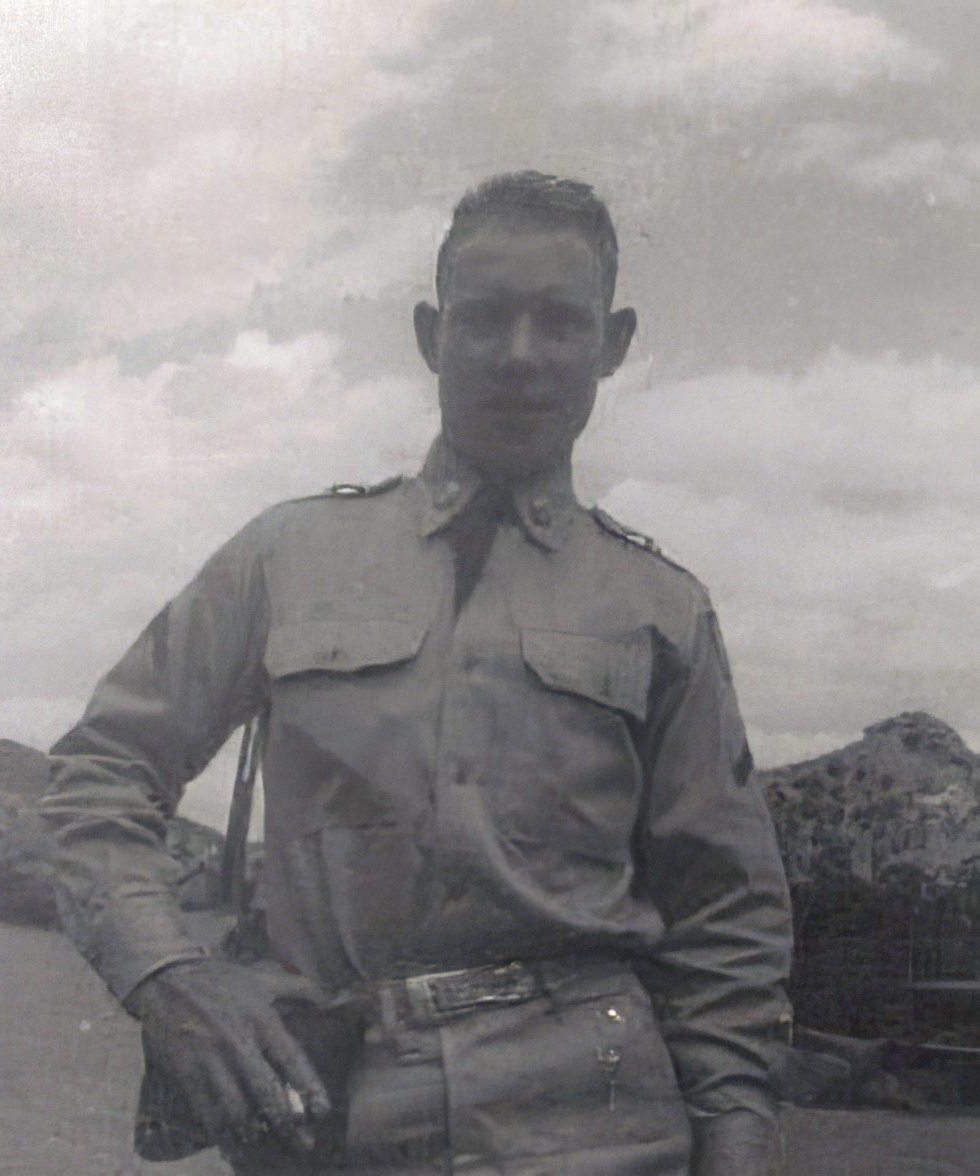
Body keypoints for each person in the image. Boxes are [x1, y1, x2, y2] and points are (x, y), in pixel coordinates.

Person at [41, 172, 793, 1175]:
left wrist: (738, 1141)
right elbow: (99, 774)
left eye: (559, 321)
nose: (519, 354)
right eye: (485, 318)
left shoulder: (661, 607)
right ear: (432, 336)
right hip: (328, 1121)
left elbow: (727, 917)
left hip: (599, 1123)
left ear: (612, 344)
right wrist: (169, 973)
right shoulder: (287, 554)